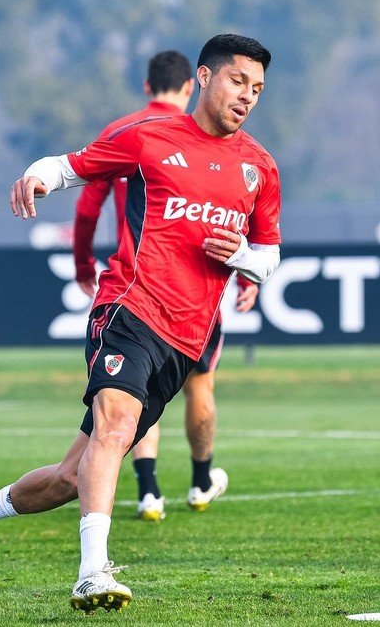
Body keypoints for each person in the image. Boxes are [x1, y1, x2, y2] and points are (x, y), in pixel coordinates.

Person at [0, 34, 281, 613]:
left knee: (73, 477)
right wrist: (38, 177)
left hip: (185, 337)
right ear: (204, 77)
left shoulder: (260, 167)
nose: (248, 96)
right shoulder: (150, 137)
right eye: (238, 81)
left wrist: (241, 255)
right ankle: (93, 572)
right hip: (128, 307)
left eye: (258, 89)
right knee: (118, 423)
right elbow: (73, 166)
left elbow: (268, 255)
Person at [72, 50, 260, 522]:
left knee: (129, 395)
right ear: (189, 85)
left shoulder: (125, 129)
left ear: (145, 85)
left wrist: (81, 262)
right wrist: (245, 269)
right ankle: (200, 480)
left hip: (135, 281)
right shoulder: (189, 139)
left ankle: (149, 490)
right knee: (198, 385)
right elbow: (221, 223)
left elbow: (88, 203)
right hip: (178, 293)